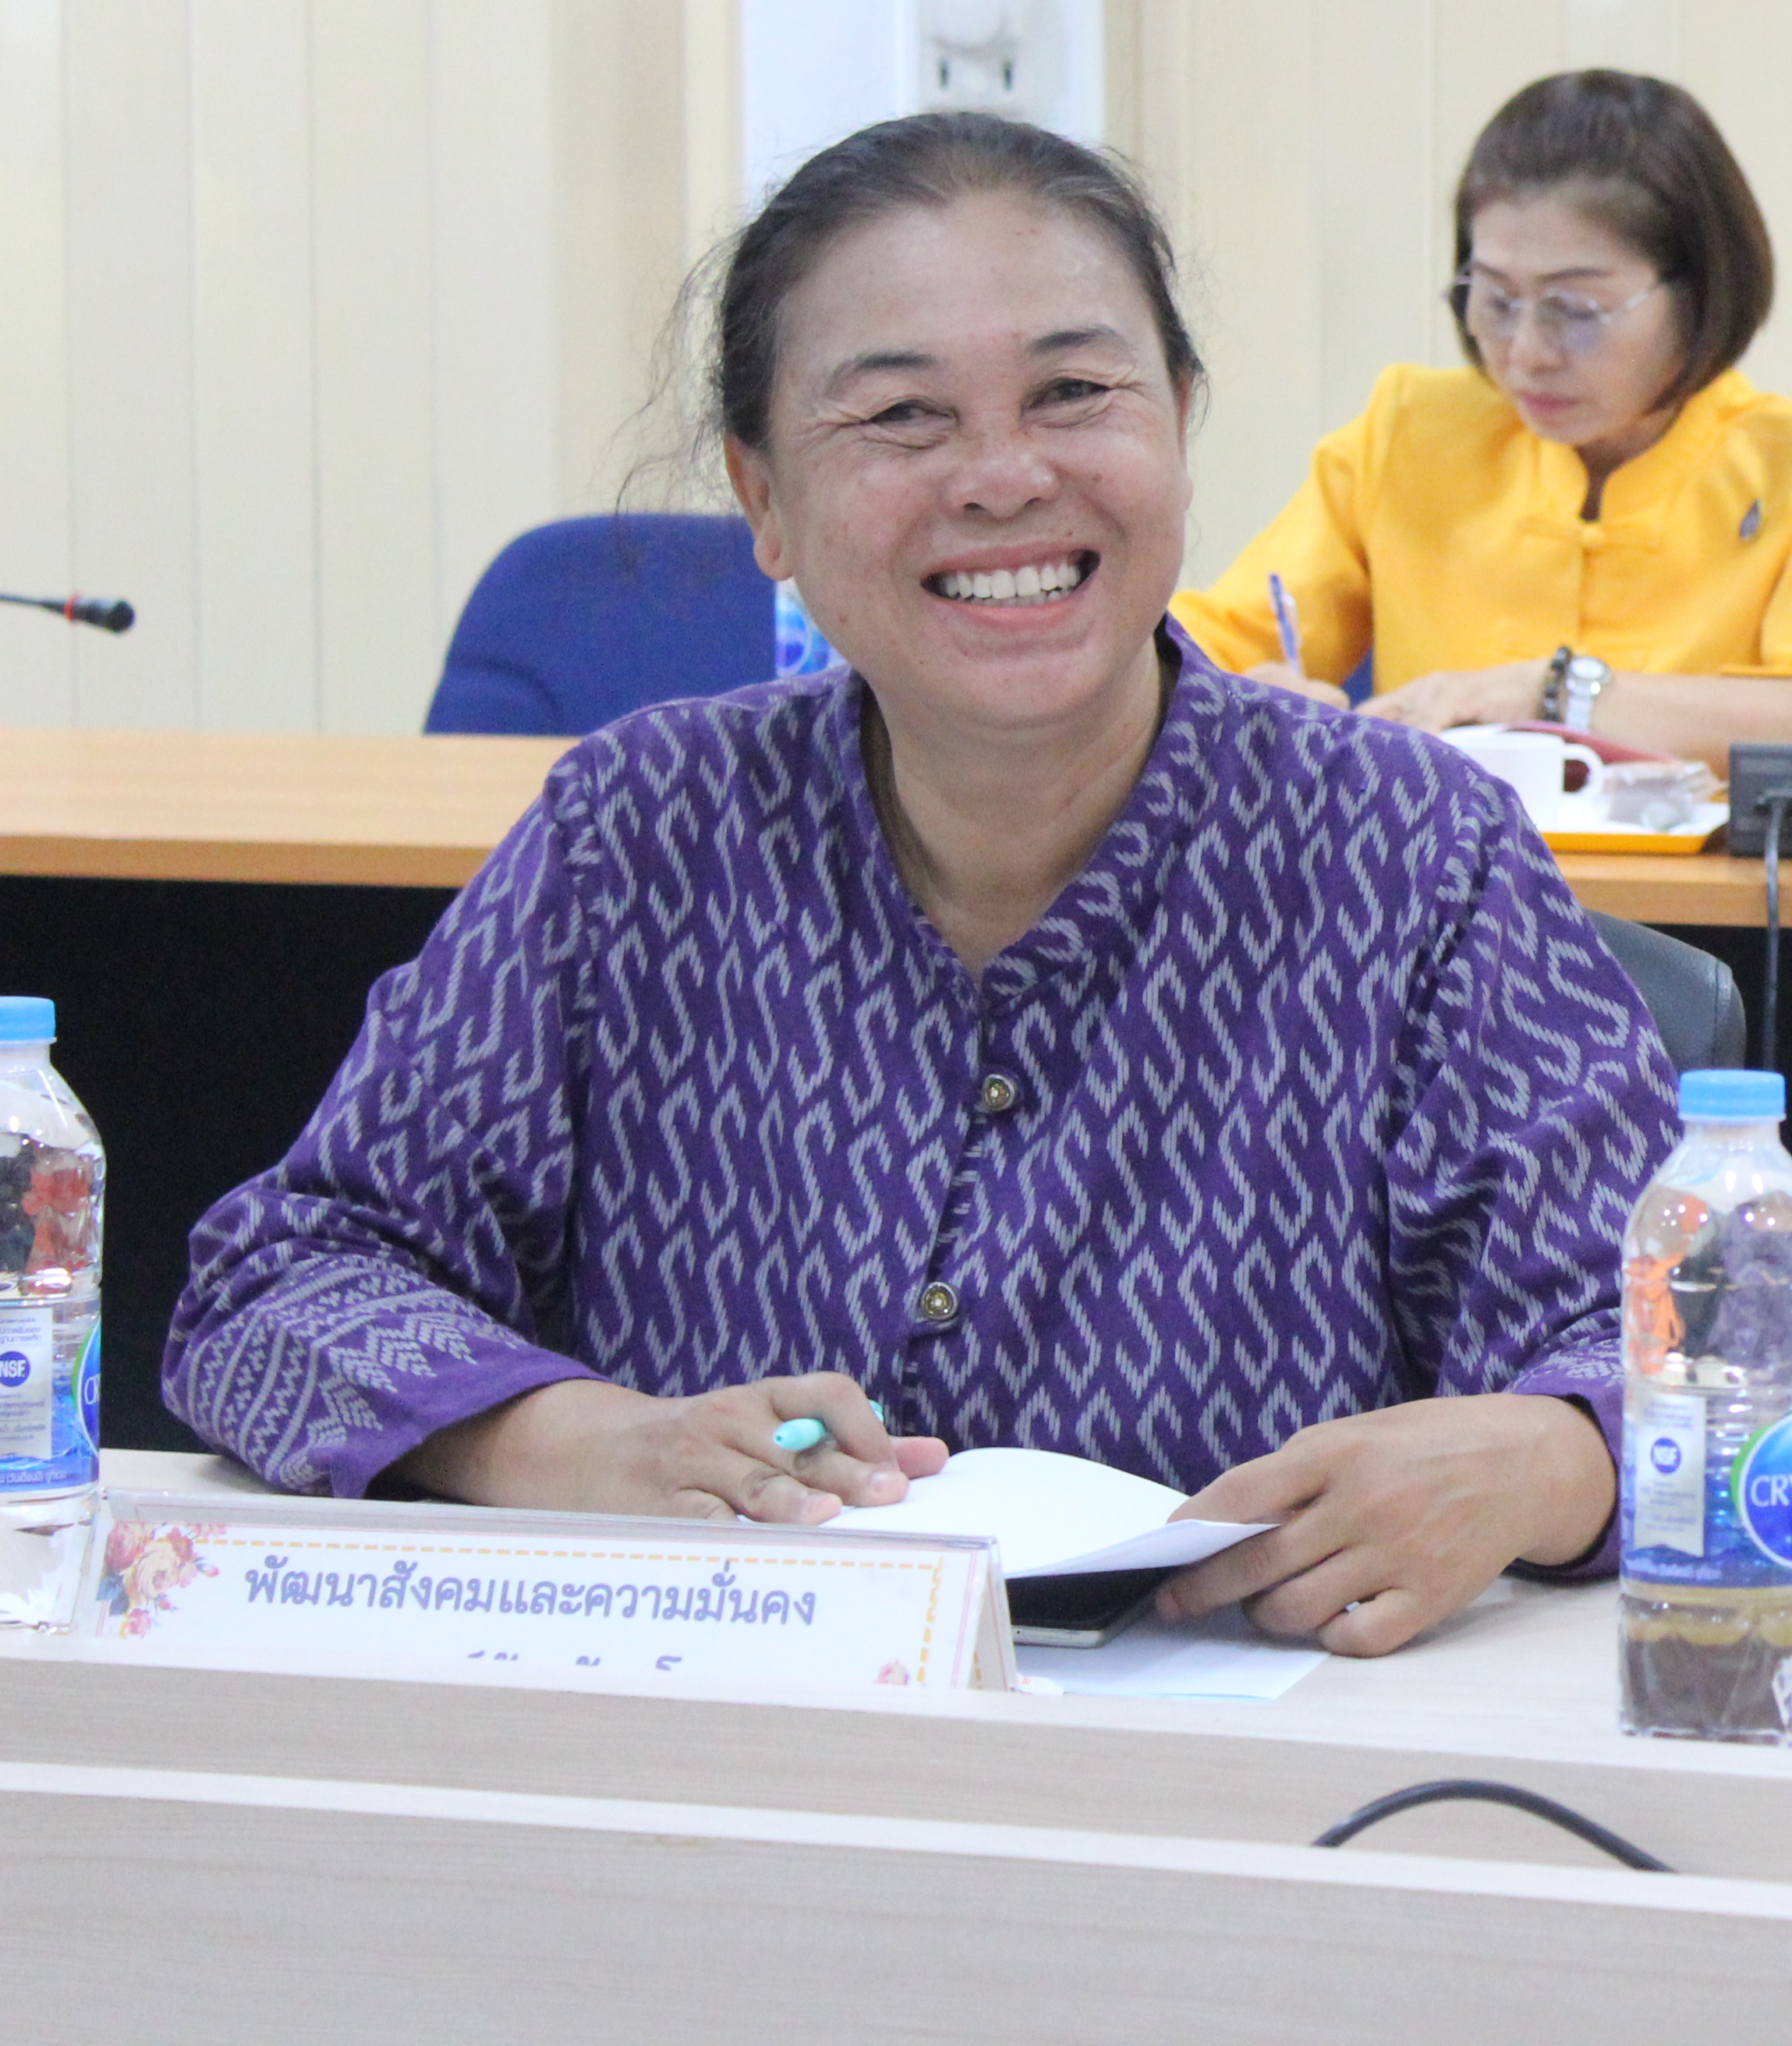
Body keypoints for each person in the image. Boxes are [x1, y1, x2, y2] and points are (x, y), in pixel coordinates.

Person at [165, 113, 1662, 1656]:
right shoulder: (640, 834)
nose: (1006, 478)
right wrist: (581, 1444)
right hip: (713, 1762)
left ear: (1184, 422)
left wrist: (1550, 1460)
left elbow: (1684, 1348)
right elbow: (278, 1289)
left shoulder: (1407, 855)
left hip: (1250, 1797)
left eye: (1075, 393)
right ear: (762, 497)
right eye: (901, 418)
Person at [1171, 70, 1792, 770]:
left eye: (1575, 310)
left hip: (1695, 901)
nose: (1526, 353)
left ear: (1700, 292)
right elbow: (1199, 648)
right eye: (1494, 300)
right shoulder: (1411, 433)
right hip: (1438, 891)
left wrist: (1549, 692)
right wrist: (1254, 695)